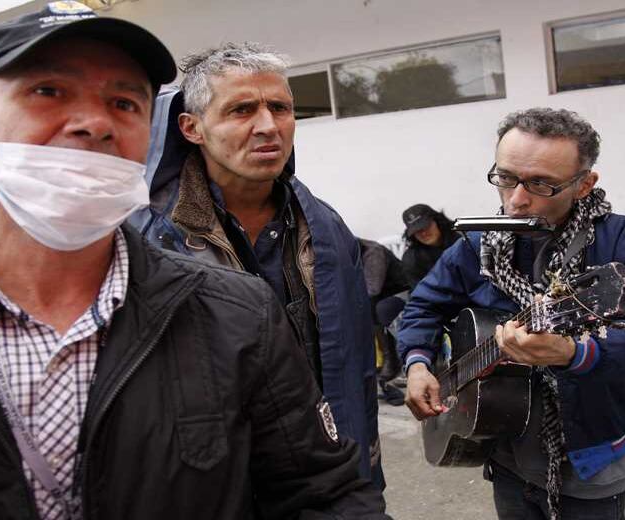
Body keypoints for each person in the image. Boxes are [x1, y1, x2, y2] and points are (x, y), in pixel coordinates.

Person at [0, 3, 390, 519]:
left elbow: (322, 487)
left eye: (124, 102)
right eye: (48, 92)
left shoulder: (241, 310)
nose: (94, 122)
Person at [134, 42, 387, 498]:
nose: (269, 126)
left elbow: (355, 369)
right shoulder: (148, 241)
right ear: (192, 128)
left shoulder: (327, 229)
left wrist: (364, 473)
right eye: (242, 110)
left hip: (326, 476)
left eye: (280, 108)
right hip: (216, 489)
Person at [398, 108, 625, 520]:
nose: (516, 200)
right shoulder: (480, 243)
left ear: (584, 184)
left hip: (588, 460)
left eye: (541, 184)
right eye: (506, 178)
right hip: (502, 445)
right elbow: (424, 304)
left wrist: (575, 353)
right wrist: (419, 364)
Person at [358, 237, 408, 406]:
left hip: (403, 294)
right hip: (382, 301)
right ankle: (386, 360)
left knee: (374, 308)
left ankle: (392, 360)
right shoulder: (348, 254)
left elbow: (372, 289)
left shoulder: (372, 252)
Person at [400, 203, 457, 290]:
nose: (424, 233)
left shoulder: (463, 239)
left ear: (437, 221)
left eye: (426, 226)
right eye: (417, 231)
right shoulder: (412, 259)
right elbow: (421, 291)